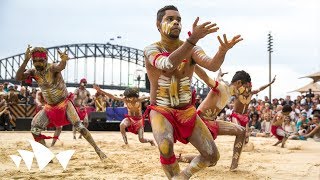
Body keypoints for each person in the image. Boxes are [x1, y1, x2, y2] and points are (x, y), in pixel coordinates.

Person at [144, 5, 242, 179]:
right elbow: (167, 64)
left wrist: (221, 52)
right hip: (161, 110)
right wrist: (192, 41)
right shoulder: (151, 50)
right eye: (170, 19)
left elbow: (212, 65)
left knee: (212, 155)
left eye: (179, 20)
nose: (176, 22)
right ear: (158, 25)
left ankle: (182, 176)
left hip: (187, 111)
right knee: (165, 147)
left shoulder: (192, 49)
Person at [15, 45, 106, 160]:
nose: (37, 63)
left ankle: (98, 150)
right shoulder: (33, 71)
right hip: (50, 107)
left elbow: (60, 67)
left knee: (79, 126)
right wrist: (26, 60)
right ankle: (46, 155)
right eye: (34, 61)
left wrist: (63, 60)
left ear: (46, 59)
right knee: (34, 129)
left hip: (64, 103)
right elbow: (18, 77)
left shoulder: (52, 68)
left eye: (40, 60)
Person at [177, 68, 246, 171]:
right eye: (245, 87)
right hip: (200, 123)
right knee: (211, 160)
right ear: (239, 83)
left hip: (211, 122)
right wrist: (193, 64)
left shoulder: (227, 89)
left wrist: (219, 75)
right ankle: (180, 158)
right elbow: (205, 77)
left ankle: (234, 166)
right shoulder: (222, 87)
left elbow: (218, 81)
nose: (245, 91)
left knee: (241, 131)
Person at [231, 74, 276, 143]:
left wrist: (270, 83)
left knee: (246, 135)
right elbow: (229, 88)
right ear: (244, 86)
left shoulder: (251, 93)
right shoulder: (238, 93)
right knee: (240, 131)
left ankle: (244, 146)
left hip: (244, 116)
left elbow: (260, 88)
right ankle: (238, 145)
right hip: (236, 115)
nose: (250, 87)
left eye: (250, 86)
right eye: (248, 86)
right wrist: (220, 78)